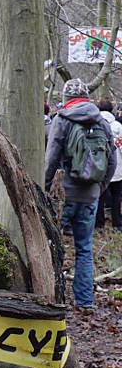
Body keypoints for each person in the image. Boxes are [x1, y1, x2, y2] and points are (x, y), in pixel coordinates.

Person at [45, 78, 116, 310]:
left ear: (66, 99)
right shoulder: (101, 122)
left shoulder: (61, 120)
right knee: (84, 248)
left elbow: (51, 159)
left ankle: (52, 299)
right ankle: (85, 302)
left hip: (64, 195)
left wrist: (45, 190)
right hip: (90, 196)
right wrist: (100, 187)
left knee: (52, 245)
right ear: (87, 98)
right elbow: (112, 160)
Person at [95, 99, 122, 231]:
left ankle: (99, 223)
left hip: (100, 167)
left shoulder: (95, 124)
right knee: (116, 197)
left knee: (99, 196)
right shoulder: (118, 126)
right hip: (117, 167)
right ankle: (117, 223)